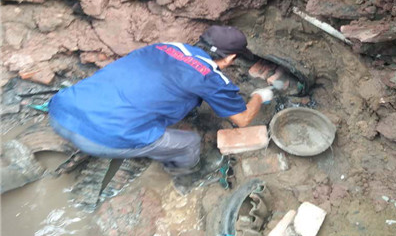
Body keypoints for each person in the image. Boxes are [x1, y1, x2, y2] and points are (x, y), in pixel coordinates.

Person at [48, 26, 273, 174]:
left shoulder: (165, 46)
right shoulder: (210, 77)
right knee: (190, 144)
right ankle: (183, 174)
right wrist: (259, 96)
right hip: (102, 139)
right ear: (231, 57)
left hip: (61, 110)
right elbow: (242, 120)